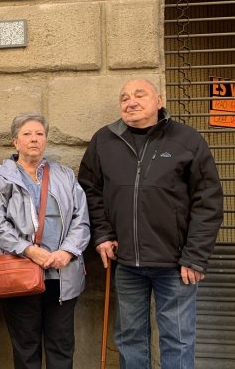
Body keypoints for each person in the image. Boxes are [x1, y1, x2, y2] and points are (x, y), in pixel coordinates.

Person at [78, 79, 223, 369]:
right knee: (130, 338)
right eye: (124, 97)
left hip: (176, 264)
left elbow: (208, 201)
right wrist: (103, 235)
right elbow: (89, 191)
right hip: (128, 263)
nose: (130, 101)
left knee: (178, 339)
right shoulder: (103, 141)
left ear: (159, 100)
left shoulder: (187, 140)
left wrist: (195, 256)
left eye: (139, 95)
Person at [0, 113, 90, 369]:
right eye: (27, 134)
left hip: (62, 275)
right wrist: (30, 251)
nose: (34, 139)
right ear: (15, 142)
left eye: (39, 134)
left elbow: (81, 218)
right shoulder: (1, 178)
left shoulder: (64, 175)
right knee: (26, 347)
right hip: (21, 273)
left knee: (61, 345)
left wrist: (67, 252)